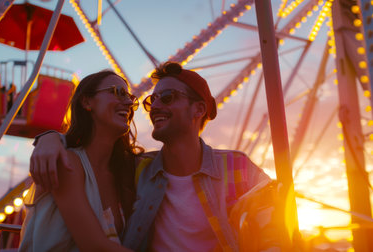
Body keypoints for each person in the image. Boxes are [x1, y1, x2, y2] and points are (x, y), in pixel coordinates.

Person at [30, 62, 283, 251]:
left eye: (168, 97)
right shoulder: (139, 171)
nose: (154, 106)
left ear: (199, 109)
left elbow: (277, 232)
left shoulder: (236, 167)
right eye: (153, 100)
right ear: (87, 102)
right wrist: (50, 137)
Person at [19, 70, 142, 251]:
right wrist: (49, 137)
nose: (129, 102)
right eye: (117, 92)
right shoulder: (67, 163)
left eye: (130, 97)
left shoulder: (125, 171)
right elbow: (94, 245)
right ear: (86, 102)